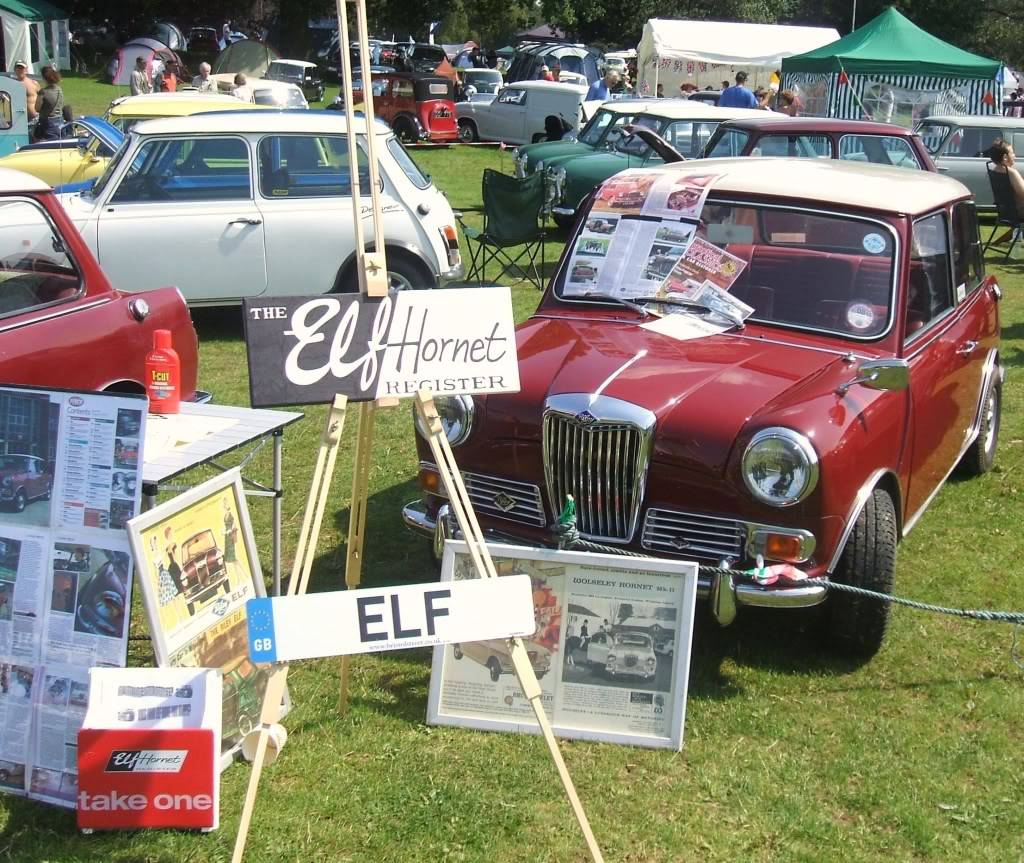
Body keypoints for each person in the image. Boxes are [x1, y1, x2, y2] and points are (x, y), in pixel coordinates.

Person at [987, 139, 1024, 218]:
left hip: (1006, 212)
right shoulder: (1012, 173)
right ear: (1005, 157)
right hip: (1018, 212)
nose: (1015, 156)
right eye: (1012, 153)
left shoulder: (995, 171)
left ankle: (1016, 231)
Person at [33, 66, 64, 141]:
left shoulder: (43, 92)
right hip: (60, 121)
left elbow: (37, 108)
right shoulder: (59, 89)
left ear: (44, 78)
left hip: (47, 123)